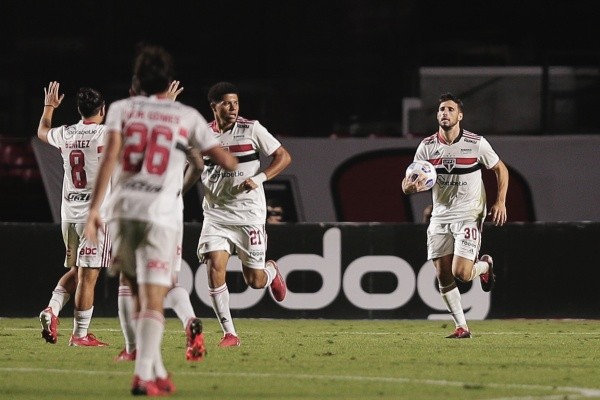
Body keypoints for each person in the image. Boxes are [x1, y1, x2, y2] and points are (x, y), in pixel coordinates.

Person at [84, 45, 238, 396]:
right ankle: (143, 374)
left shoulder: (121, 109)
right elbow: (223, 161)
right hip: (161, 212)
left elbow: (109, 158)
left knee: (133, 291)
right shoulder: (185, 116)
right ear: (169, 81)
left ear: (136, 82)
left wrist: (95, 209)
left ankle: (152, 369)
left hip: (122, 210)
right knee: (155, 296)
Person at [186, 81, 292, 348]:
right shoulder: (202, 135)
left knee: (255, 281)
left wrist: (261, 177)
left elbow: (283, 156)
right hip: (216, 216)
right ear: (214, 107)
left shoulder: (252, 129)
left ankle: (271, 271)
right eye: (226, 103)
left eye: (235, 103)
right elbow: (195, 168)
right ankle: (229, 334)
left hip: (249, 216)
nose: (233, 108)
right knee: (214, 267)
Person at [113, 80, 207, 363]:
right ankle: (189, 320)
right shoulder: (177, 119)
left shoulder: (127, 117)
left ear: (132, 93)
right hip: (170, 211)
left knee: (129, 282)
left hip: (137, 208)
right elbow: (199, 164)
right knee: (168, 281)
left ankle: (133, 351)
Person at [402, 92, 508, 339]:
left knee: (461, 273)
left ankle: (484, 266)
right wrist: (409, 188)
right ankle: (462, 327)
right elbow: (408, 181)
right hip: (440, 216)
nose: (445, 113)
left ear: (460, 115)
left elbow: (500, 169)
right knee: (442, 273)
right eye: (441, 110)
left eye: (450, 109)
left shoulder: (476, 143)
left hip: (469, 214)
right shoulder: (427, 146)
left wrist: (500, 201)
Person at [37, 81, 110, 347]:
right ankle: (80, 335)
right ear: (102, 110)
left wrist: (49, 107)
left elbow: (43, 130)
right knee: (88, 277)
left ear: (80, 110)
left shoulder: (66, 133)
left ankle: (52, 309)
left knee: (78, 271)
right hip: (94, 217)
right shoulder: (105, 133)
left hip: (68, 214)